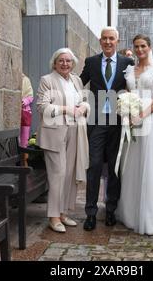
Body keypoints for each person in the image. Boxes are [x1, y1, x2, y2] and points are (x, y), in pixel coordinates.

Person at [116, 34, 153, 235]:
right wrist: (125, 106)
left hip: (150, 119)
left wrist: (142, 114)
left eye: (143, 46)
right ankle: (131, 213)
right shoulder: (130, 70)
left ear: (149, 48)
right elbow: (124, 91)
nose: (139, 50)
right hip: (131, 121)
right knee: (132, 164)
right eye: (136, 46)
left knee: (150, 164)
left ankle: (151, 216)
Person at [80, 27, 134, 231]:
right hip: (96, 120)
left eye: (112, 38)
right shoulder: (91, 62)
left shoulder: (127, 63)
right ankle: (91, 213)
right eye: (104, 38)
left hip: (119, 121)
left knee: (114, 167)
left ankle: (110, 209)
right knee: (93, 166)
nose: (108, 42)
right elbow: (78, 84)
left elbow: (134, 86)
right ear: (100, 40)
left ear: (117, 41)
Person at [36, 48, 90, 233]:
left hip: (74, 130)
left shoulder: (76, 80)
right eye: (61, 60)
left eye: (68, 61)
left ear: (73, 63)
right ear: (55, 63)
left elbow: (84, 100)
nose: (65, 64)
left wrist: (84, 106)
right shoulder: (47, 80)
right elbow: (42, 107)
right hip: (54, 132)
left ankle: (64, 212)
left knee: (69, 174)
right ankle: (53, 216)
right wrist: (66, 109)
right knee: (57, 174)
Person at [20, 74, 34, 148]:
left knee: (25, 138)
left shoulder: (25, 79)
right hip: (13, 111)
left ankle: (24, 157)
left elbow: (30, 96)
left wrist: (24, 101)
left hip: (25, 111)